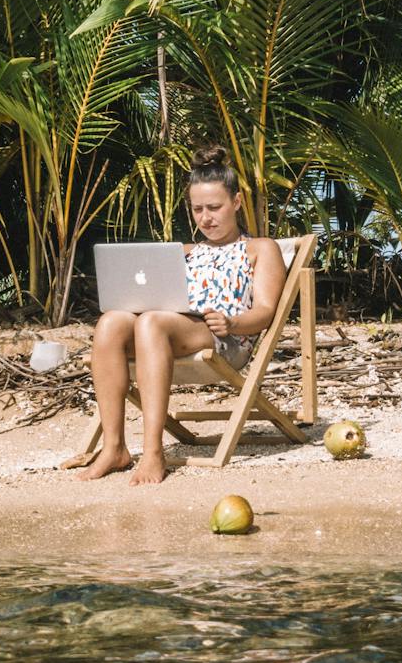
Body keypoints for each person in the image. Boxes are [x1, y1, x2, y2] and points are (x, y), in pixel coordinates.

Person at [74, 145, 287, 485]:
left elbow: (264, 312)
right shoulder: (183, 252)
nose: (206, 218)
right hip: (165, 332)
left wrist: (231, 322)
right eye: (198, 209)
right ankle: (114, 447)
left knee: (152, 321)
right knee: (112, 321)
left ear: (236, 203)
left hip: (226, 338)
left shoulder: (260, 249)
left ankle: (154, 452)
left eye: (215, 207)